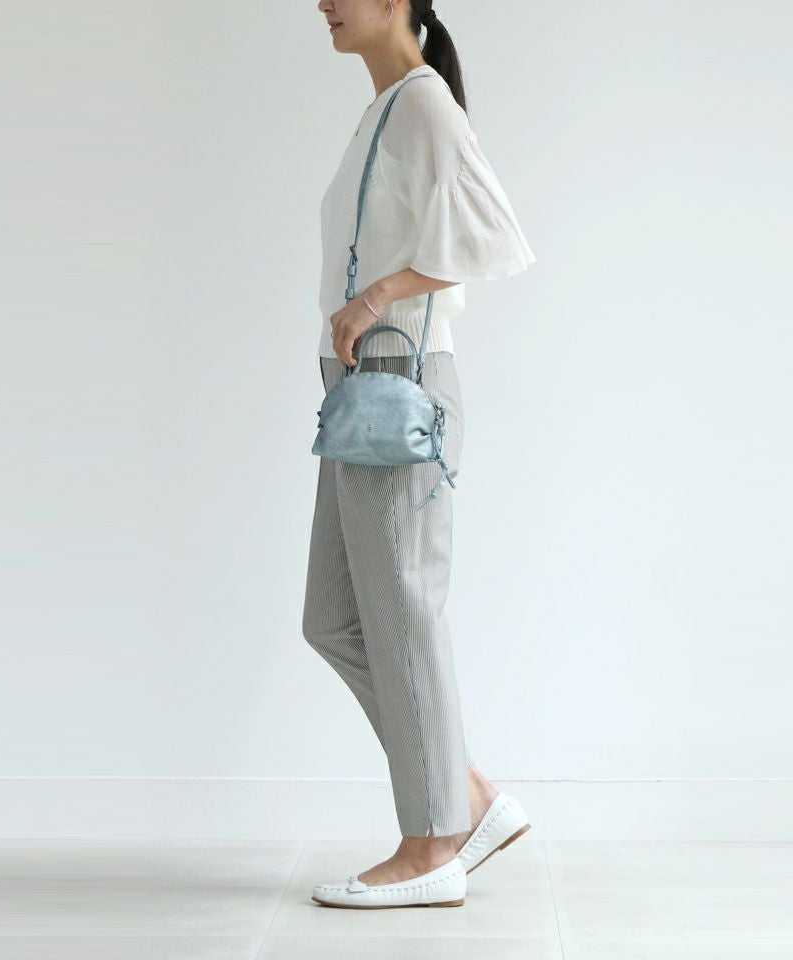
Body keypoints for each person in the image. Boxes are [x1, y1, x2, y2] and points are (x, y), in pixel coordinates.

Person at [304, 0, 536, 908]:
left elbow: (492, 235)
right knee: (335, 618)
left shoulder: (425, 102)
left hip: (399, 382)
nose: (322, 1)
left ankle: (431, 845)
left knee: (402, 611)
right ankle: (465, 797)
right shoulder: (387, 108)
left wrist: (376, 299)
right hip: (359, 390)